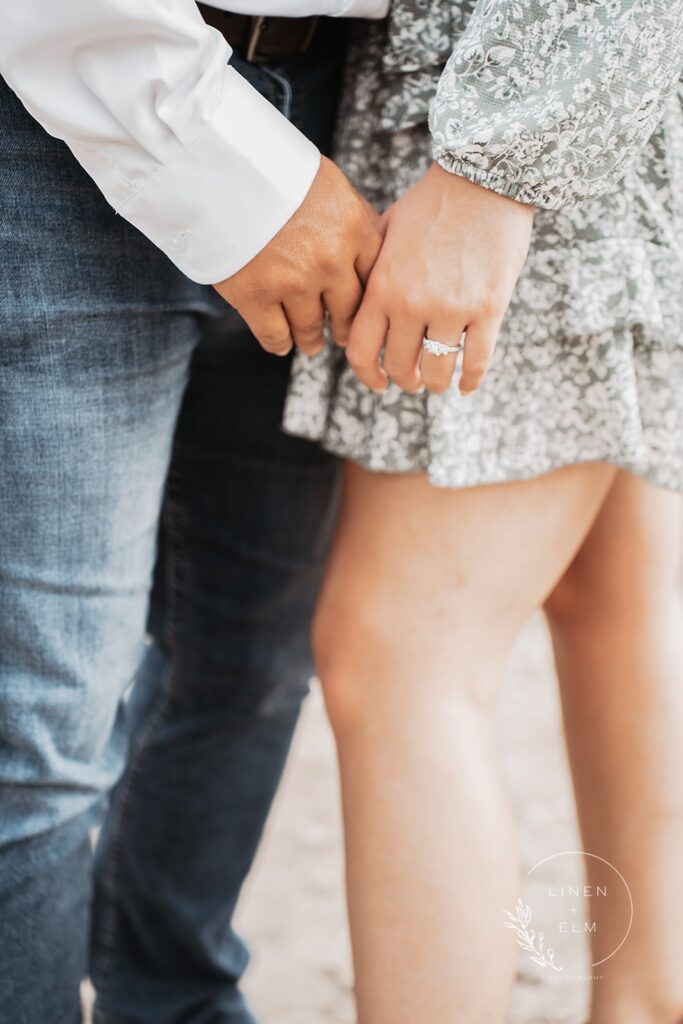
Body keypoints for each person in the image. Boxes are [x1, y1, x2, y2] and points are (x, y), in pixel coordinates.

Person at [283, 1, 683, 1022]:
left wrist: (493, 172)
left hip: (513, 110)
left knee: (397, 652)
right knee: (607, 597)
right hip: (569, 108)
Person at [0, 1, 384, 1020]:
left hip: (347, 110)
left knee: (250, 664)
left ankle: (171, 997)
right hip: (62, 110)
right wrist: (230, 170)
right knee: (42, 729)